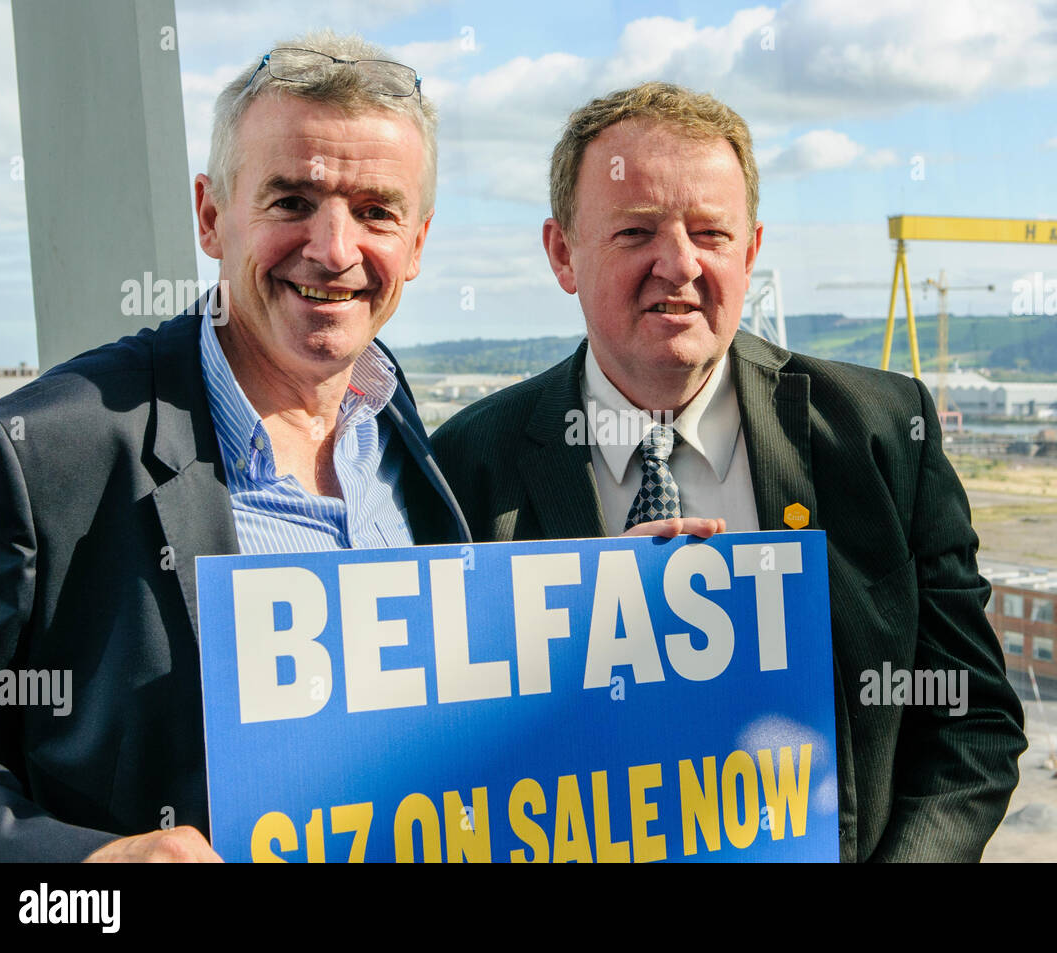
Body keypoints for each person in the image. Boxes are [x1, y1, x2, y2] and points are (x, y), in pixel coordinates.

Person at [432, 82, 1026, 862]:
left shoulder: (880, 433)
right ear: (561, 252)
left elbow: (970, 720)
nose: (677, 265)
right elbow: (440, 763)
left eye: (710, 233)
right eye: (636, 230)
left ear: (749, 252)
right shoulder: (467, 466)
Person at [0, 32, 468, 862]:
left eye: (377, 210)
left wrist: (606, 598)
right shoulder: (41, 453)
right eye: (291, 201)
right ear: (211, 215)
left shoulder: (393, 420)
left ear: (415, 246)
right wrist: (88, 867)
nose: (334, 249)